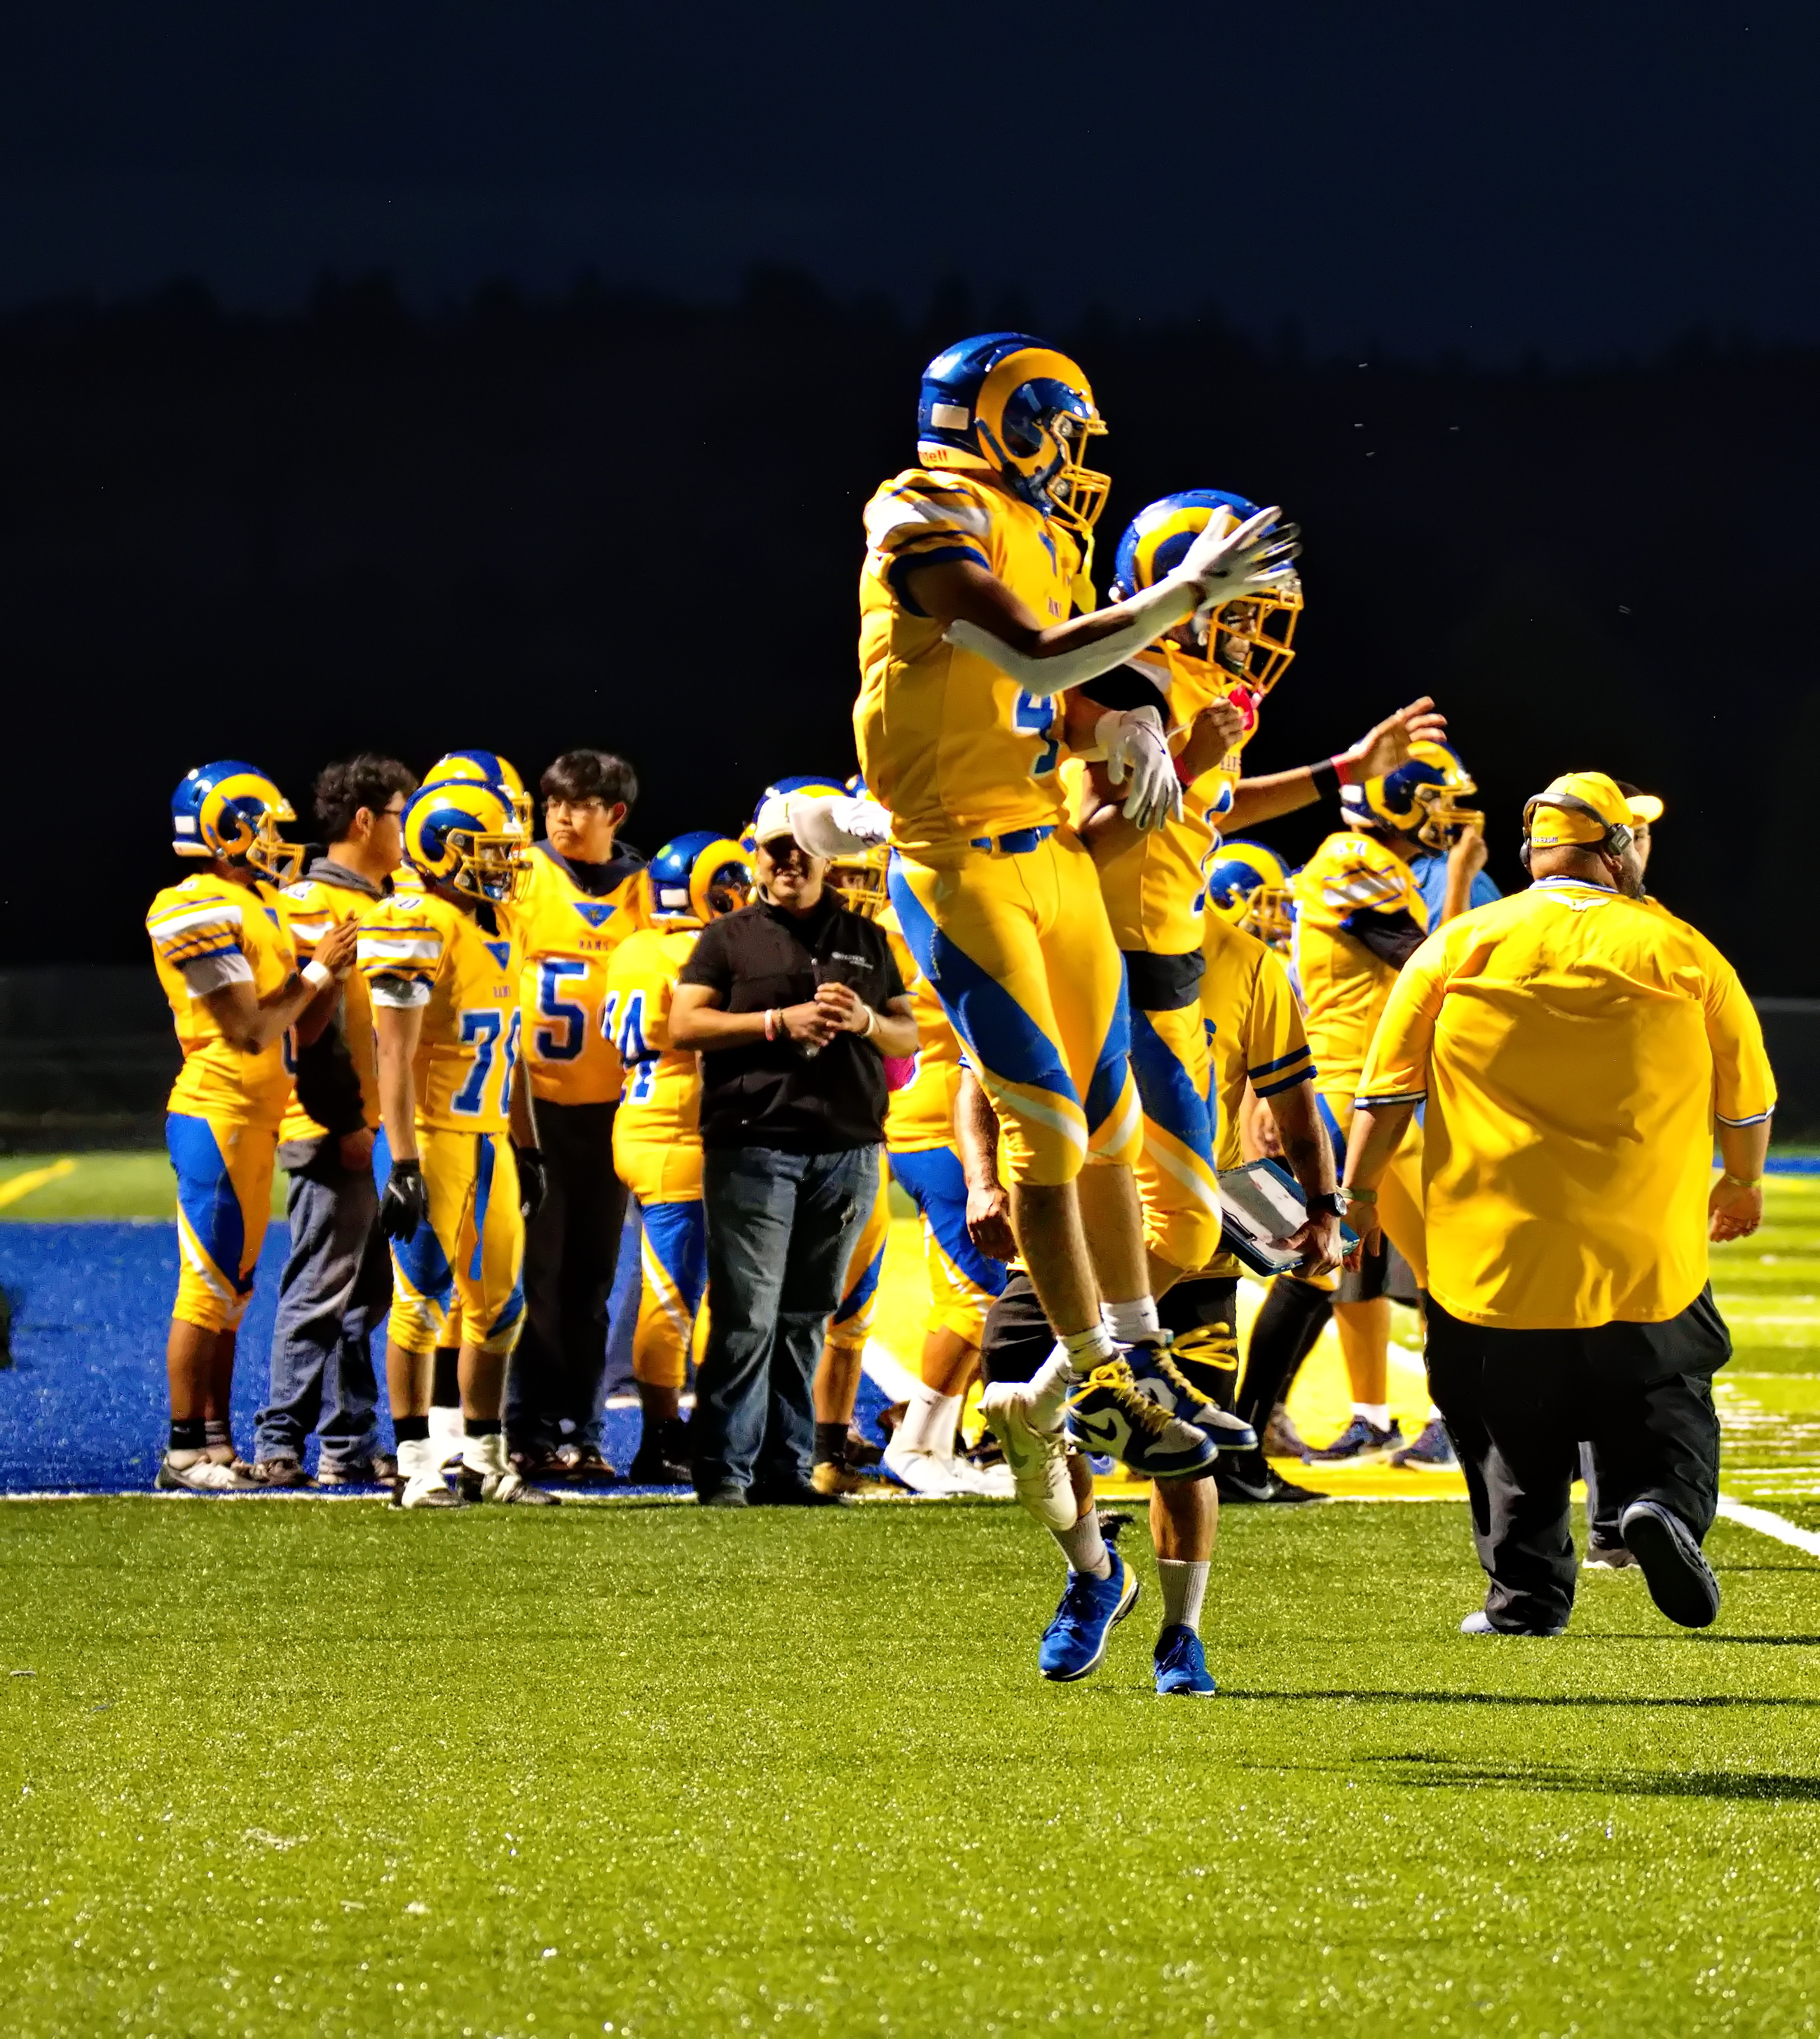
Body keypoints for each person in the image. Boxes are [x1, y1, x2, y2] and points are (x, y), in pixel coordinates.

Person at [834, 331, 1299, 1592]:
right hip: (957, 853)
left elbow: (1072, 680)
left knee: (1107, 1129)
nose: (1079, 458)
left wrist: (1133, 707)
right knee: (1043, 1129)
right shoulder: (922, 507)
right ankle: (1092, 1376)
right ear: (1008, 416)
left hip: (1042, 840)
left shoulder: (1048, 536)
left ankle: (1131, 1367)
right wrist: (1178, 609)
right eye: (1063, 428)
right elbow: (1027, 653)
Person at [1343, 771, 1776, 1635]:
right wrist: (1739, 1178)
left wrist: (1354, 1196)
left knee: (1505, 1430)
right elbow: (1745, 1096)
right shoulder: (1678, 948)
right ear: (1616, 850)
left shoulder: (1458, 942)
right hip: (1642, 1250)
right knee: (1665, 1394)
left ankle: (1525, 1598)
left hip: (1488, 1256)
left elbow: (1382, 1093)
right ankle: (1657, 1507)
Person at [669, 797, 918, 1506]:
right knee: (747, 1315)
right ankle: (723, 1472)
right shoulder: (727, 937)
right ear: (755, 854)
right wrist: (779, 1020)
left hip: (846, 1148)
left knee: (807, 1316)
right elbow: (684, 1022)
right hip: (755, 1143)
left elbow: (908, 1035)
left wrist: (865, 1019)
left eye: (801, 847)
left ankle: (785, 1469)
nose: (788, 859)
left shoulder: (867, 939)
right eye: (775, 847)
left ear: (825, 856)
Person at [146, 761, 354, 1490]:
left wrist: (329, 975)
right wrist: (319, 972)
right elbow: (250, 1030)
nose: (273, 841)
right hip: (217, 1109)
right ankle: (181, 1452)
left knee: (233, 1291)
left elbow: (299, 1020)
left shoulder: (257, 902)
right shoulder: (188, 906)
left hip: (257, 1115)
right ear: (224, 829)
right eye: (261, 826)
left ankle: (217, 1445)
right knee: (204, 1289)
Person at [359, 769, 555, 1509]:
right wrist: (403, 1159)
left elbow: (514, 1054)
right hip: (432, 1138)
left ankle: (484, 1457)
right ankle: (414, 1463)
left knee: (501, 1307)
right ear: (442, 850)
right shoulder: (415, 920)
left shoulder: (504, 924)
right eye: (486, 850)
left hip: (490, 1140)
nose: (504, 865)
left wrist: (527, 1143)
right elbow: (392, 1054)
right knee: (420, 1301)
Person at [1287, 742, 1482, 1466]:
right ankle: (1459, 1418)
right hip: (1365, 1094)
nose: (1448, 814)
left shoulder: (1357, 863)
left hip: (1357, 1089)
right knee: (1445, 1268)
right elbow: (1435, 971)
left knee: (1355, 1268)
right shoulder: (1352, 859)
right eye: (1434, 797)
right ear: (1393, 800)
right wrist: (1459, 882)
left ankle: (1377, 1419)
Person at [252, 755, 416, 1486]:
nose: (409, 828)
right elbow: (308, 1034)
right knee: (320, 1287)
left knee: (367, 1297)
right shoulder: (303, 905)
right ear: (364, 820)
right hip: (330, 1124)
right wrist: (347, 1120)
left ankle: (347, 1439)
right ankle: (279, 1440)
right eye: (399, 813)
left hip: (381, 1129)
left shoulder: (397, 898)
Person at [510, 748, 648, 1482]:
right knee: (536, 1277)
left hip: (612, 1113)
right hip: (533, 1111)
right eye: (554, 802)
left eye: (580, 804)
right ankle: (522, 1424)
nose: (562, 816)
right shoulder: (524, 876)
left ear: (614, 814)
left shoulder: (647, 889)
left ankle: (582, 1427)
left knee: (591, 1282)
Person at [605, 830, 753, 1483]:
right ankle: (661, 1434)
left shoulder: (636, 946)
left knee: (672, 1289)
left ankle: (670, 1429)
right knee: (674, 1296)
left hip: (640, 1119)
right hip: (681, 1133)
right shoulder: (703, 951)